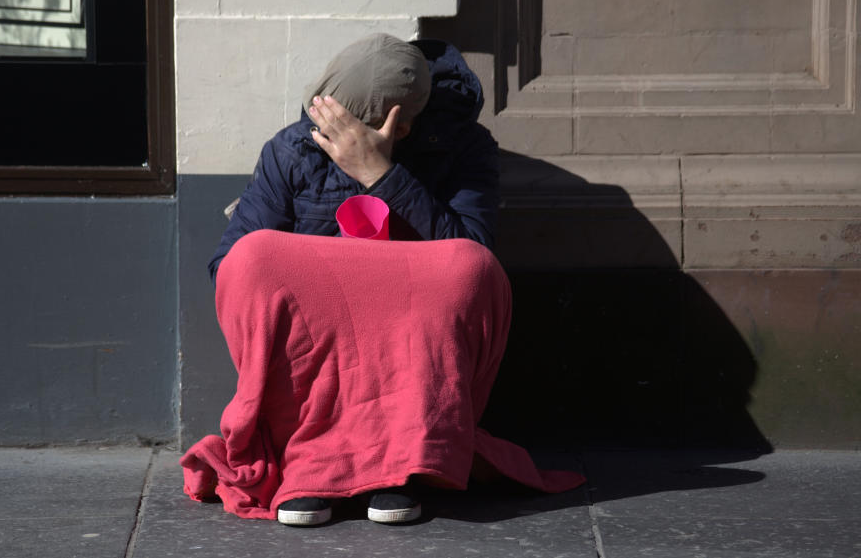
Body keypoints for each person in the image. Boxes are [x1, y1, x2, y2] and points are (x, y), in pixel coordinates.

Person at [181, 34, 584, 526]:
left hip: (403, 329)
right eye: (323, 116)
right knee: (252, 256)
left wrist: (380, 173)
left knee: (470, 268)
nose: (328, 130)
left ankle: (399, 464)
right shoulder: (291, 149)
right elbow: (227, 266)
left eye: (346, 123)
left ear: (403, 123)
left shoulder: (462, 149)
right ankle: (310, 464)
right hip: (320, 340)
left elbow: (473, 251)